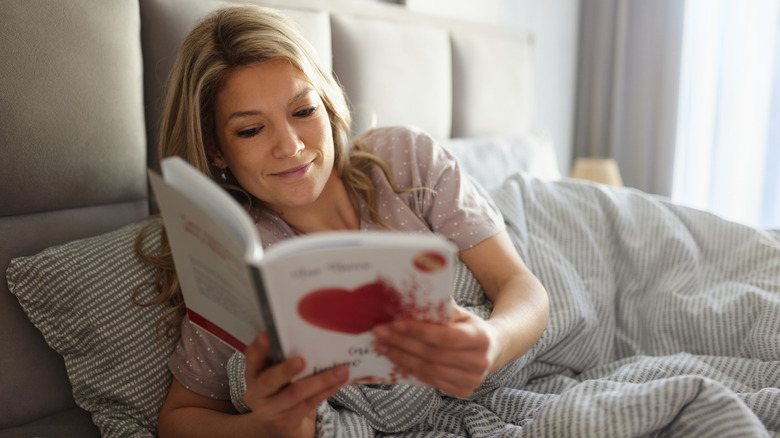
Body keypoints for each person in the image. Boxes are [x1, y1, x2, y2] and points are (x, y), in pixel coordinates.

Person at [135, 5, 549, 438]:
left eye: (303, 111)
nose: (291, 146)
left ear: (327, 102)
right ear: (217, 150)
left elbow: (520, 285)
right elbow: (179, 419)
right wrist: (269, 427)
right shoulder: (238, 256)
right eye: (251, 130)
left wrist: (494, 342)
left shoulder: (406, 159)